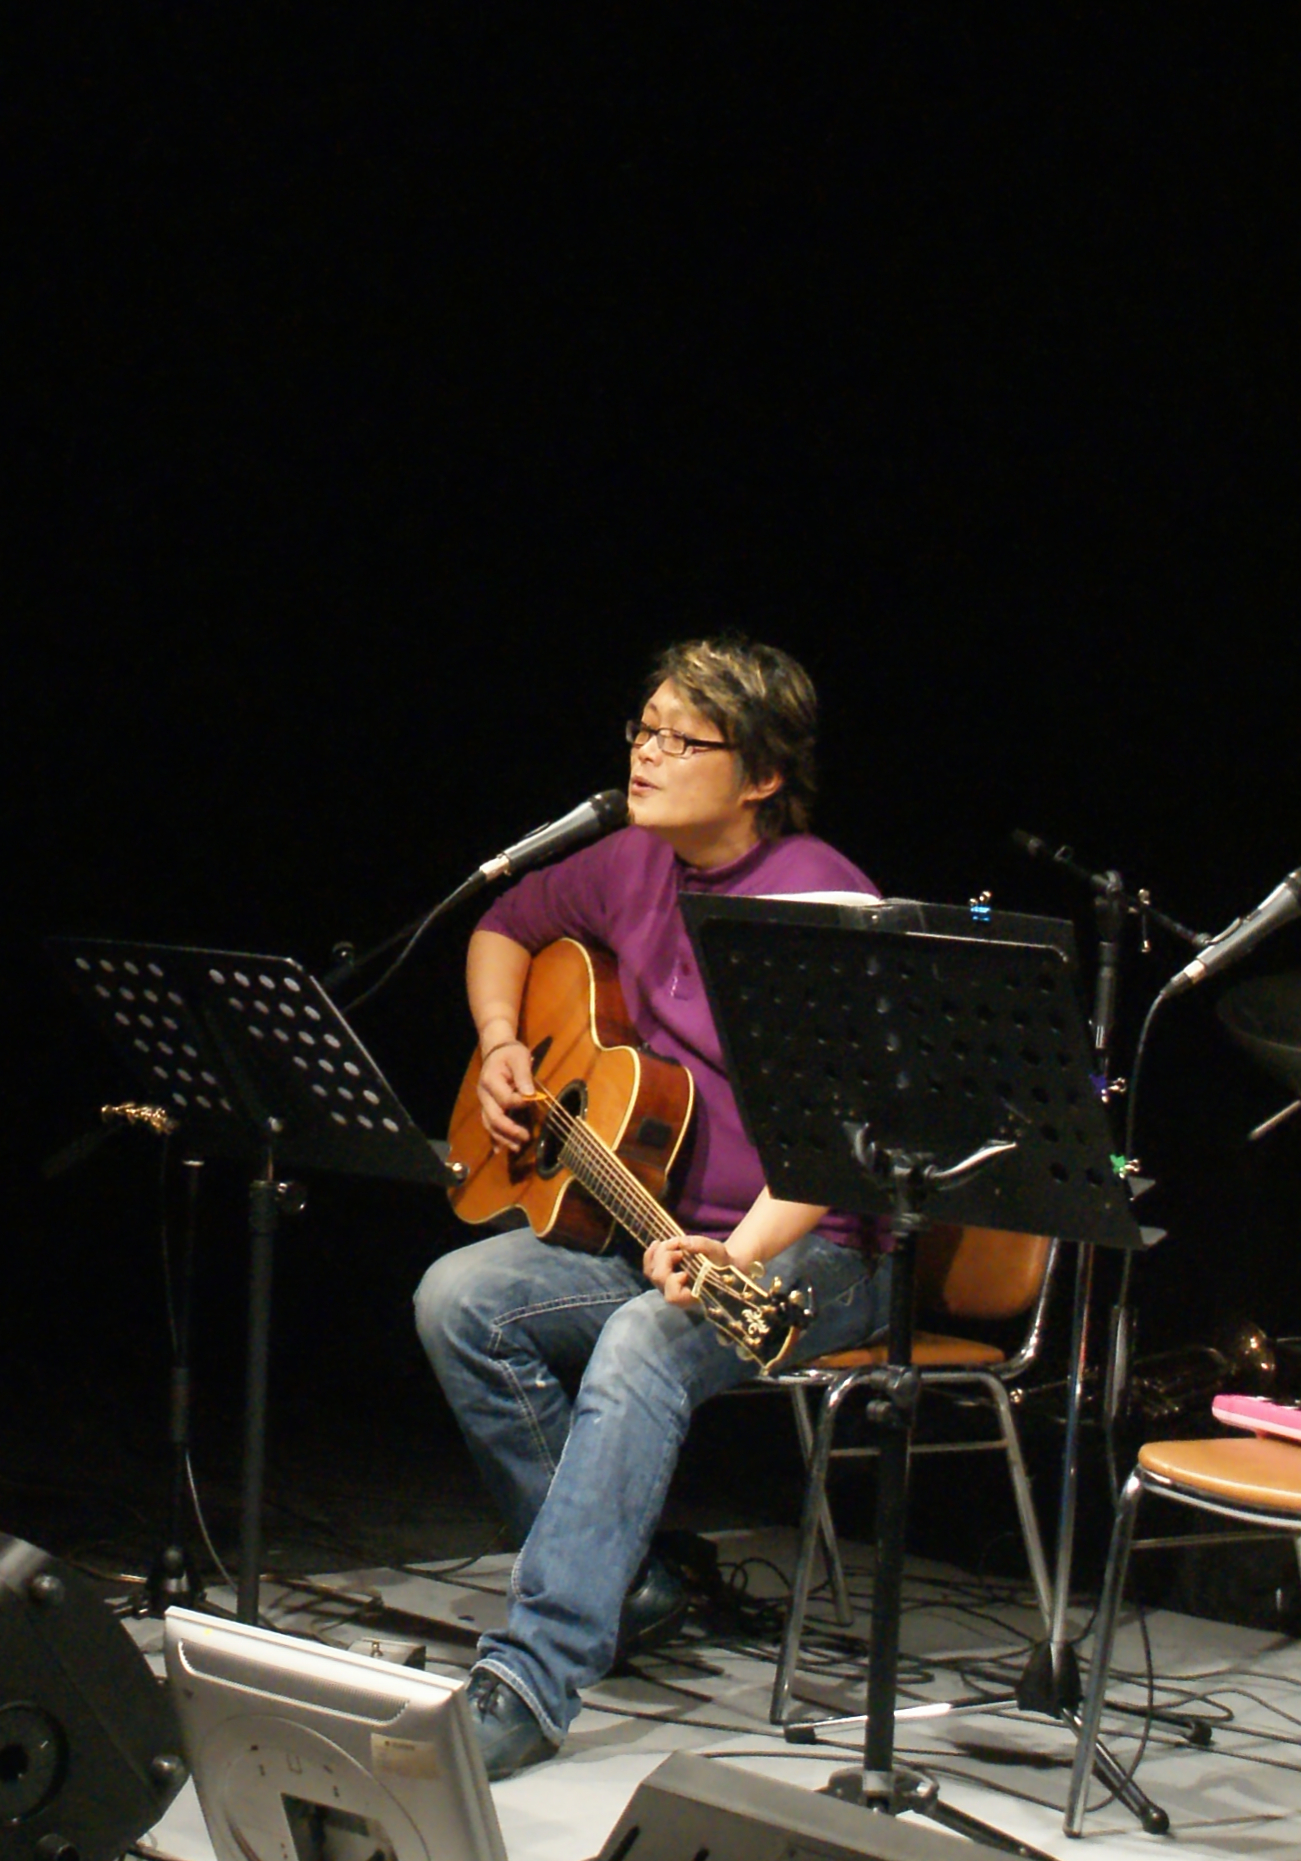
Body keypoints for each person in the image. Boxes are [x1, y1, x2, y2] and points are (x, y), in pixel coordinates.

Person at [414, 631, 894, 1779]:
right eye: (645, 728)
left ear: (761, 774)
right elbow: (503, 926)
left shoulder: (819, 899)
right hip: (652, 1225)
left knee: (642, 1340)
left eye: (685, 740)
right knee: (458, 1298)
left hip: (818, 1249)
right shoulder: (632, 860)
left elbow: (838, 1150)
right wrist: (499, 1041)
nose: (647, 754)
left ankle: (531, 1677)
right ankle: (624, 1587)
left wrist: (736, 1252)